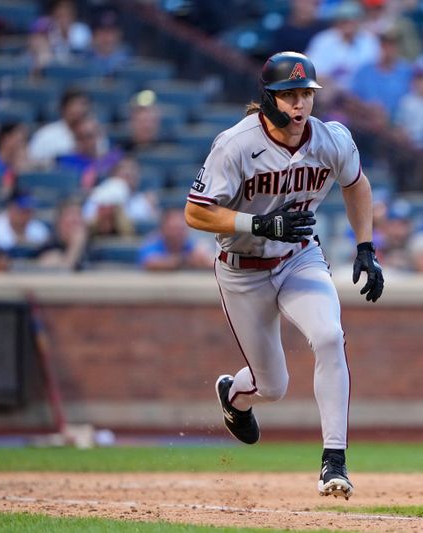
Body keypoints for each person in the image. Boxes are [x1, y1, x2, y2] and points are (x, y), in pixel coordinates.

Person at [183, 52, 383, 499]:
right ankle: (234, 394)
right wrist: (256, 223)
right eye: (289, 95)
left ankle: (335, 461)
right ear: (269, 100)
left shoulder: (331, 140)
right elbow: (196, 212)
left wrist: (366, 247)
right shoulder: (235, 144)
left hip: (298, 258)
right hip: (242, 272)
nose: (299, 105)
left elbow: (357, 184)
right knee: (272, 387)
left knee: (330, 336)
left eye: (306, 95)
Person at [304, 1, 380, 94]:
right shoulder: (324, 40)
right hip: (330, 90)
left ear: (359, 21)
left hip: (360, 92)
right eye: (344, 20)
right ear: (337, 21)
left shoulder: (369, 41)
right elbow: (311, 72)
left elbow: (374, 73)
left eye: (352, 19)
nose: (348, 24)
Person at [27, 88, 93, 164]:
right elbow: (32, 162)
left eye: (82, 105)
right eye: (74, 105)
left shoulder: (94, 134)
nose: (79, 110)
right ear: (63, 108)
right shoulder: (46, 134)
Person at [139, 208, 212, 271]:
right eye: (175, 228)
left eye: (182, 229)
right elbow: (150, 263)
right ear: (164, 229)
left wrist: (202, 260)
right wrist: (184, 260)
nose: (179, 233)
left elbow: (209, 263)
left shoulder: (188, 244)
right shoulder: (153, 241)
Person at [37, 200, 89, 270]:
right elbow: (63, 273)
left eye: (79, 215)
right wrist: (75, 245)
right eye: (70, 215)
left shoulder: (92, 249)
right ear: (59, 222)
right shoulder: (49, 250)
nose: (76, 220)